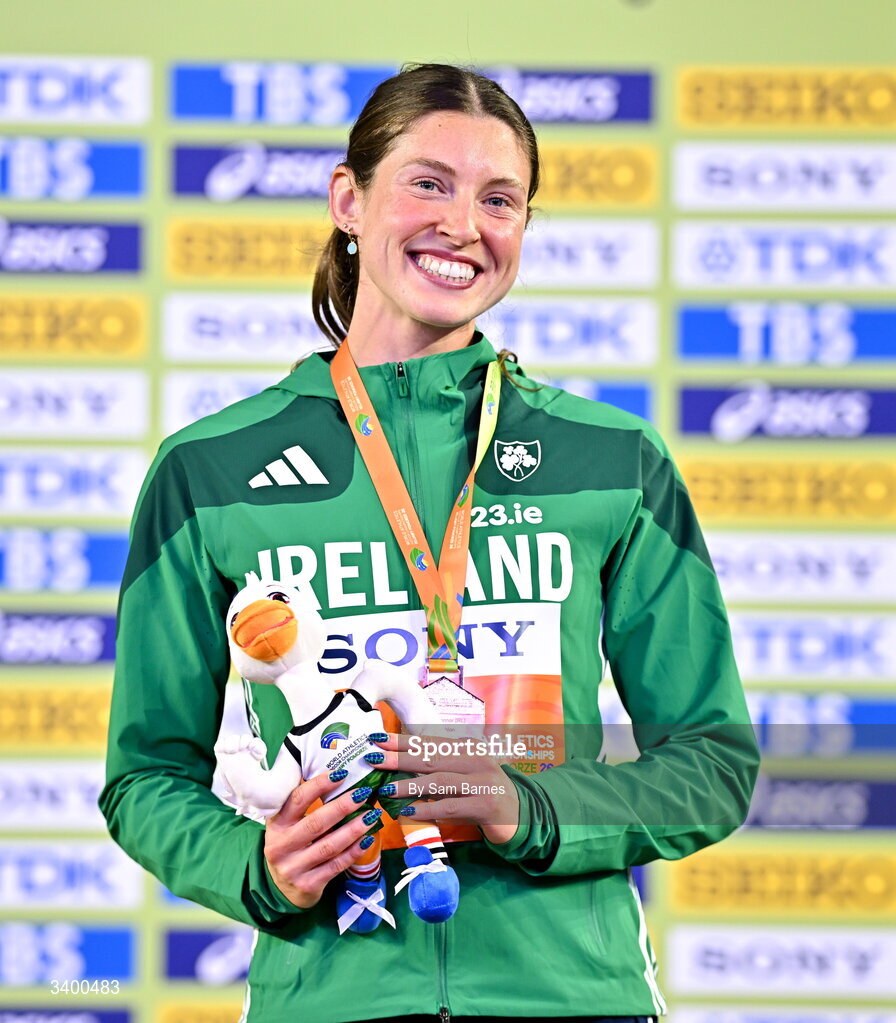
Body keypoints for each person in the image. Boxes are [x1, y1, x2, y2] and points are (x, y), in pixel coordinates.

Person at [101, 63, 759, 1023]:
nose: (463, 224)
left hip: (573, 996)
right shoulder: (211, 467)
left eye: (501, 199)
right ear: (348, 199)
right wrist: (256, 865)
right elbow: (144, 774)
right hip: (331, 998)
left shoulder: (610, 457)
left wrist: (527, 811)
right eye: (428, 182)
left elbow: (712, 760)